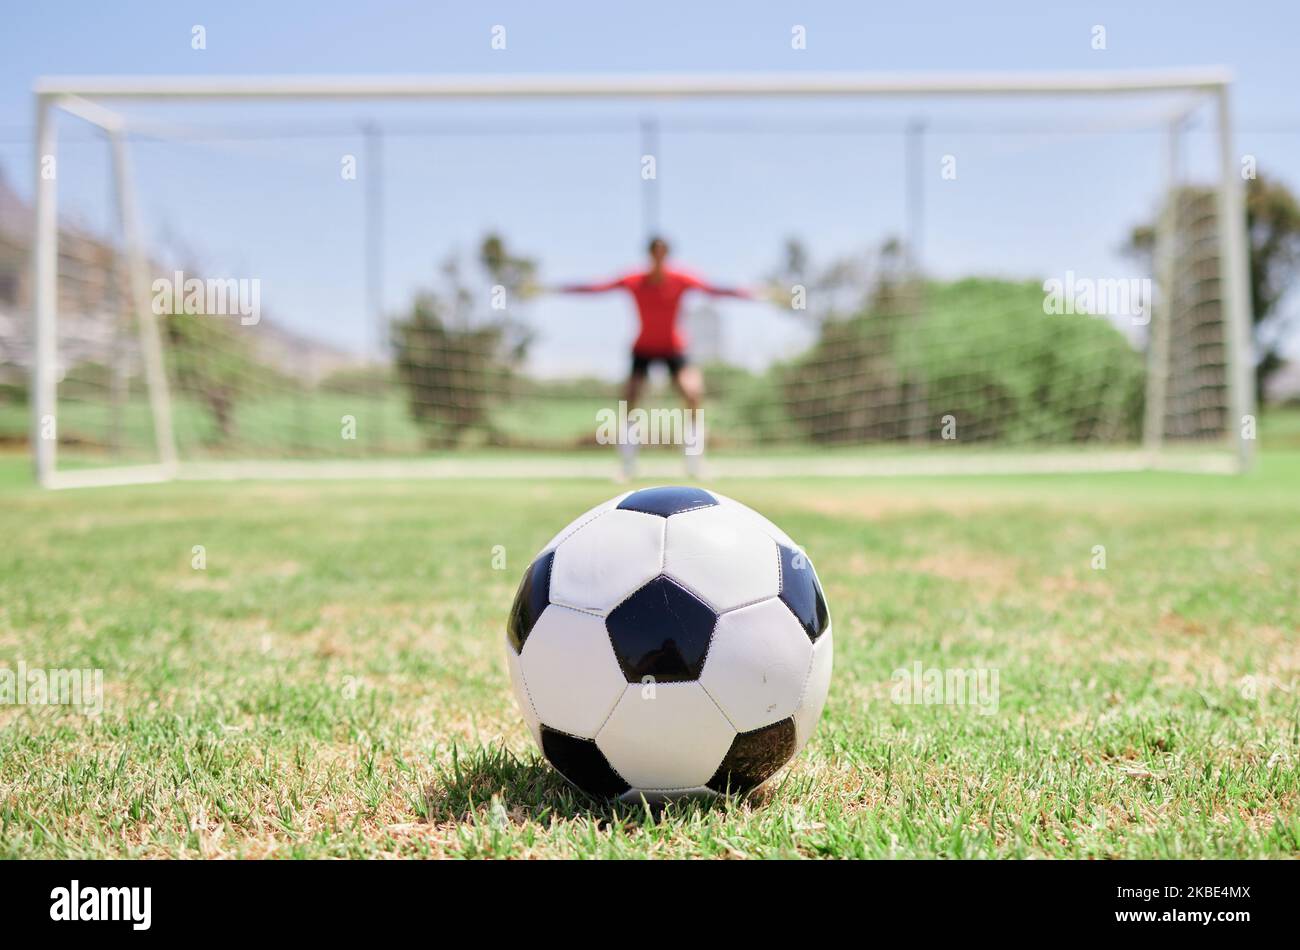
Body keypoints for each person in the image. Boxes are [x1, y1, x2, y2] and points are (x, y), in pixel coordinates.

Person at [556, 236, 753, 479]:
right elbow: (597, 288)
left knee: (692, 394)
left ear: (667, 255)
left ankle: (695, 463)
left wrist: (750, 292)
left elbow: (712, 290)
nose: (659, 258)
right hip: (644, 348)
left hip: (673, 348)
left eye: (663, 253)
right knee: (629, 398)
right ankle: (627, 465)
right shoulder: (634, 280)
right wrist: (558, 288)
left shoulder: (681, 278)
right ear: (650, 255)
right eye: (655, 253)